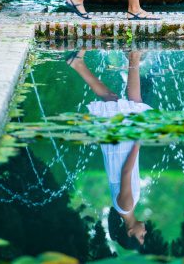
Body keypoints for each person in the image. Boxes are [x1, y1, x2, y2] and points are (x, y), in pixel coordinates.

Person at [66, 48, 150, 248]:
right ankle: (79, 64)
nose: (145, 232)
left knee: (133, 104)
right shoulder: (122, 208)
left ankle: (133, 56)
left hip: (123, 146)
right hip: (118, 148)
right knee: (122, 101)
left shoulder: (127, 206)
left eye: (141, 236)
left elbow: (127, 171)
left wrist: (139, 142)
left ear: (130, 232)